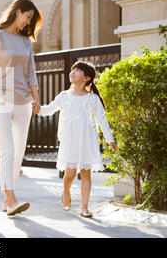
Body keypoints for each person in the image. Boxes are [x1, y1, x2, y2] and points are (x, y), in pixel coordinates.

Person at [32, 61, 117, 218]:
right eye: (73, 69)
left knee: (86, 173)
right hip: (69, 139)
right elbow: (49, 109)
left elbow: (102, 120)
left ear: (87, 77)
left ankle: (84, 208)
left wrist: (110, 139)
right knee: (70, 173)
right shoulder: (64, 96)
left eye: (77, 70)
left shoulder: (93, 99)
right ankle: (66, 193)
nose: (73, 72)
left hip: (87, 139)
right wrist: (38, 109)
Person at [0, 0, 42, 216]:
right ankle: (11, 198)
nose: (28, 23)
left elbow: (31, 71)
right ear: (18, 11)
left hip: (24, 102)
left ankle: (7, 198)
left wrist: (36, 98)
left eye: (31, 20)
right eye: (28, 17)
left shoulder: (25, 42)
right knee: (7, 151)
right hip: (1, 100)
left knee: (18, 153)